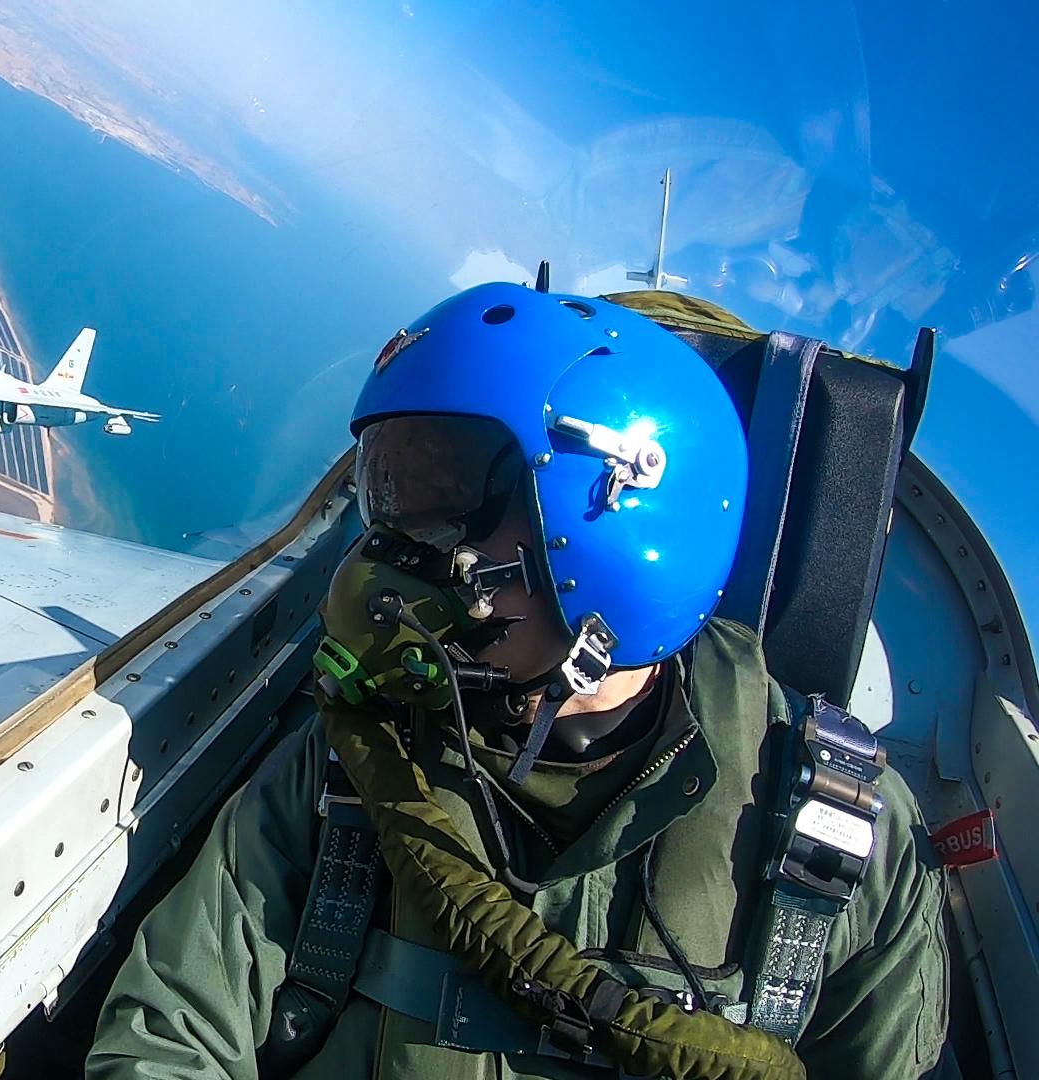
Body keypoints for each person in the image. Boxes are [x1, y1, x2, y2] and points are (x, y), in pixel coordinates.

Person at [86, 283, 950, 1079]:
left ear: (611, 532)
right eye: (391, 495)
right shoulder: (349, 767)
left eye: (447, 500)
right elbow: (167, 1037)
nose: (397, 552)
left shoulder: (837, 840)